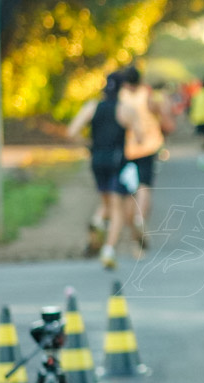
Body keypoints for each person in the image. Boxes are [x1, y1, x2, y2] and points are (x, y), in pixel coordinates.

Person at [67, 72, 143, 270]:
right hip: (117, 162)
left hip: (97, 160)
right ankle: (108, 249)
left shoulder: (92, 107)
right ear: (122, 89)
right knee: (117, 208)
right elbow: (140, 137)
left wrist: (88, 145)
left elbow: (71, 132)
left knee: (106, 203)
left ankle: (97, 222)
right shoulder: (125, 110)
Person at [120, 64, 173, 256]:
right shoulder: (147, 95)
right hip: (149, 146)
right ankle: (140, 219)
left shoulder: (121, 96)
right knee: (144, 186)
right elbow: (162, 117)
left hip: (126, 149)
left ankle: (132, 233)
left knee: (128, 192)